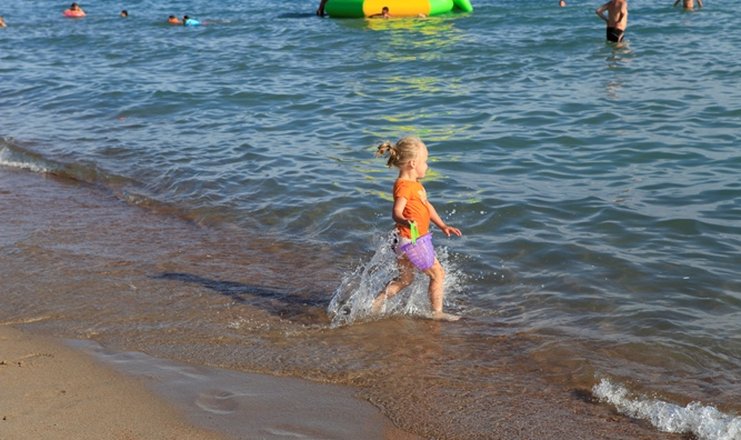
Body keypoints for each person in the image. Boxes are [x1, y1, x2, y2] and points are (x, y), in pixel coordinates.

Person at [372, 137, 462, 321]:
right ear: (413, 163)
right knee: (438, 274)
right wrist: (405, 221)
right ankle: (436, 313)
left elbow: (427, 206)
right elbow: (396, 212)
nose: (427, 166)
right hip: (411, 239)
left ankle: (375, 304)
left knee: (405, 280)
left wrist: (442, 225)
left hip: (404, 240)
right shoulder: (404, 186)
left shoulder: (415, 185)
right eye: (425, 161)